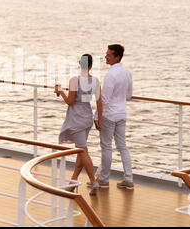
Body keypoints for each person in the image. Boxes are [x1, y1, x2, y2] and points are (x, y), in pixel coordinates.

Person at [55, 54, 102, 195]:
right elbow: (99, 102)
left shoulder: (75, 80)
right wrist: (98, 118)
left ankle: (94, 181)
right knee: (80, 151)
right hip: (87, 116)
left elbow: (70, 101)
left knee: (82, 151)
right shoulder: (95, 80)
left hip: (76, 118)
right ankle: (73, 181)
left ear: (80, 64)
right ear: (91, 65)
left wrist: (61, 92)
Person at [94, 44, 134, 190]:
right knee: (122, 146)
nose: (106, 56)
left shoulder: (111, 75)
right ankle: (128, 179)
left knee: (106, 147)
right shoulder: (127, 72)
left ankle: (104, 180)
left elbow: (104, 99)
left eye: (109, 55)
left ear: (117, 57)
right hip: (122, 113)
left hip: (109, 115)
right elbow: (129, 95)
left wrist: (96, 116)